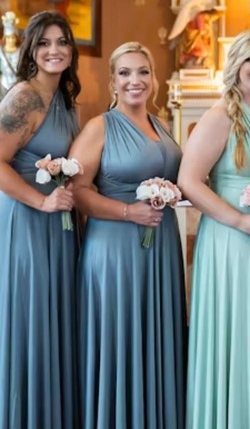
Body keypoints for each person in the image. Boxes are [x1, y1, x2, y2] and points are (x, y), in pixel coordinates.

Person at [0, 10, 81, 429]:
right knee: (23, 328)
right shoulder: (25, 97)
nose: (55, 50)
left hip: (54, 226)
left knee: (46, 329)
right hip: (21, 223)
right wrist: (41, 202)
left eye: (62, 42)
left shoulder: (64, 102)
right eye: (44, 43)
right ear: (31, 51)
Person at [69, 42, 186, 428]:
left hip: (160, 248)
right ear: (113, 82)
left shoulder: (161, 125)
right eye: (125, 73)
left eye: (143, 72)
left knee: (155, 338)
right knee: (120, 340)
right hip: (115, 249)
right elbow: (78, 192)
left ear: (154, 79)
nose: (135, 80)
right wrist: (127, 211)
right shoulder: (100, 127)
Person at [178, 30, 250, 429]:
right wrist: (239, 220)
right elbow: (189, 181)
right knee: (241, 330)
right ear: (236, 64)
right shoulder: (220, 115)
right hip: (233, 242)